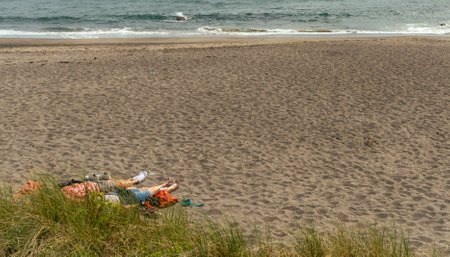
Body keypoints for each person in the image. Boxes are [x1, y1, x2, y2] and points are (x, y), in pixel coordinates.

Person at [104, 178, 179, 205]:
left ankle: (164, 185)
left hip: (119, 194)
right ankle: (168, 187)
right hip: (125, 199)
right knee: (151, 191)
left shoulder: (95, 200)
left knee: (144, 189)